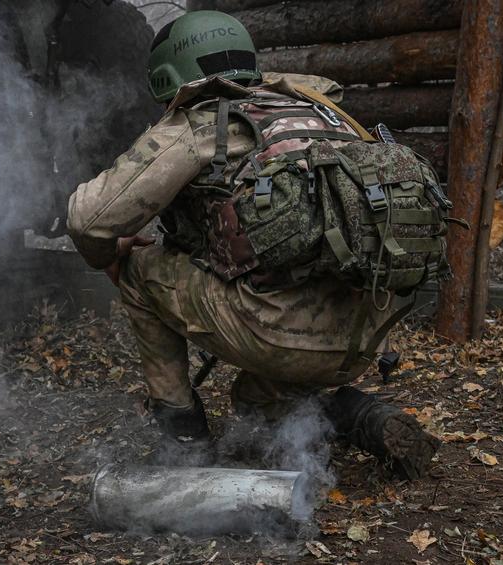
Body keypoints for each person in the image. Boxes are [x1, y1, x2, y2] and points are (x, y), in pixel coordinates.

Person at [67, 10, 440, 478]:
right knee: (254, 402)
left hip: (274, 333)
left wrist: (111, 258)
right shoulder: (323, 111)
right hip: (361, 339)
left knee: (140, 268)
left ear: (169, 76)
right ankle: (360, 415)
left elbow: (89, 218)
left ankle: (182, 436)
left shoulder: (203, 123)